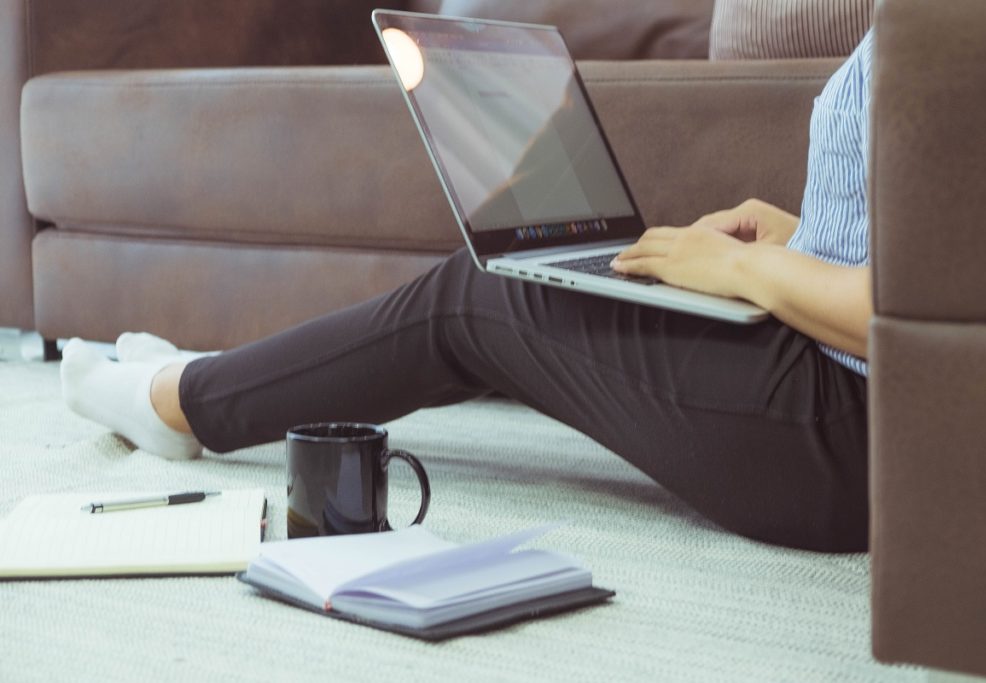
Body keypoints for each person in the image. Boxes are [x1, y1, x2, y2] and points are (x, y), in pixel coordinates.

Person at [61, 30, 875, 553]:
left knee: (479, 298)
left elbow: (910, 317)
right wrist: (805, 237)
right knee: (531, 299)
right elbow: (959, 272)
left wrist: (739, 271)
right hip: (844, 384)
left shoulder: (961, 32)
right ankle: (239, 374)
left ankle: (180, 403)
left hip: (855, 435)